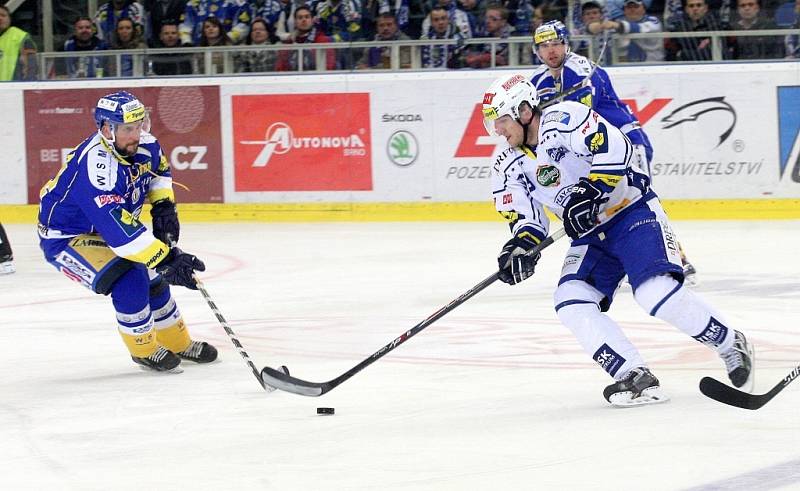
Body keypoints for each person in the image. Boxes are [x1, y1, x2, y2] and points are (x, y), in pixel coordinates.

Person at [482, 73, 755, 406]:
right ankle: (634, 375)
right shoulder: (507, 165)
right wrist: (521, 248)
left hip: (631, 212)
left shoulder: (566, 118)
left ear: (525, 111)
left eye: (502, 119)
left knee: (654, 293)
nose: (497, 129)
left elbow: (615, 147)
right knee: (570, 299)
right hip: (589, 236)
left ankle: (729, 342)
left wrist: (593, 188)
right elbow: (527, 219)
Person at [37, 91, 217, 372]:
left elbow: (158, 173)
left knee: (155, 278)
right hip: (67, 238)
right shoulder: (97, 170)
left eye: (141, 124)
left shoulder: (145, 143)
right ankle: (144, 350)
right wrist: (169, 260)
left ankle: (179, 342)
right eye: (128, 129)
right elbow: (122, 236)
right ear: (107, 130)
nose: (137, 134)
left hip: (109, 228)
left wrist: (163, 206)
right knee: (131, 277)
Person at [529, 20, 698, 284]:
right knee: (603, 205)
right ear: (536, 50)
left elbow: (579, 115)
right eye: (544, 46)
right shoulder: (536, 81)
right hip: (593, 151)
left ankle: (676, 257)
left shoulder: (580, 69)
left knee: (639, 201)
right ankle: (620, 262)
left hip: (625, 142)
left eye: (556, 44)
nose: (551, 51)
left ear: (566, 44)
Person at [275, 6, 336, 71]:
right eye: (300, 18)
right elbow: (280, 68)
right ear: (295, 22)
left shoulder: (323, 41)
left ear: (312, 20)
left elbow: (330, 66)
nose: (304, 20)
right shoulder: (289, 43)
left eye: (307, 17)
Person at [465, 4, 516, 68]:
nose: (488, 21)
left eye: (493, 19)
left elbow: (503, 60)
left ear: (503, 22)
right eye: (486, 18)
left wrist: (479, 58)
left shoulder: (513, 35)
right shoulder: (484, 34)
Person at [0, 4, 37, 81]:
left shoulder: (21, 37)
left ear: (9, 19)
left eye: (3, 15)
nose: (0, 18)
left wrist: (27, 88)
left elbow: (31, 68)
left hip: (14, 89)